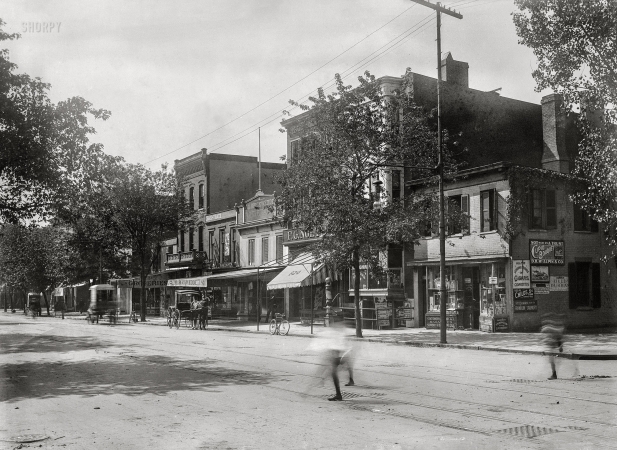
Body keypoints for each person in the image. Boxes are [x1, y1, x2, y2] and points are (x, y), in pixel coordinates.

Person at [541, 312, 565, 380]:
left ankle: (554, 375)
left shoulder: (547, 328)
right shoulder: (555, 328)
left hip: (552, 347)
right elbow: (559, 337)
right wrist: (560, 346)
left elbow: (546, 339)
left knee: (552, 361)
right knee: (553, 361)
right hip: (554, 347)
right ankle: (554, 374)